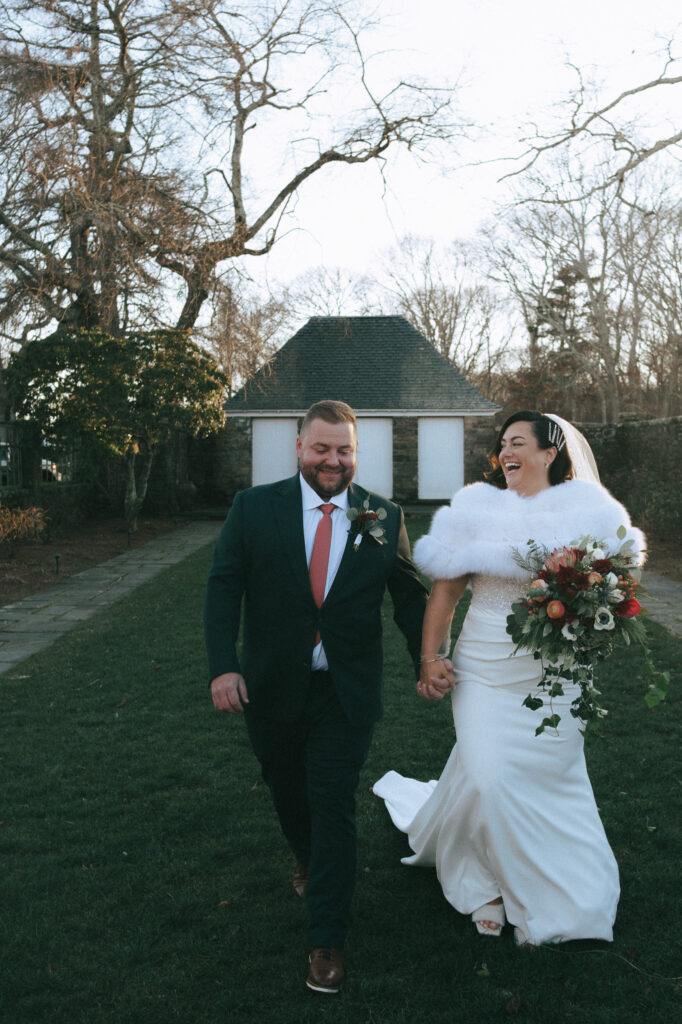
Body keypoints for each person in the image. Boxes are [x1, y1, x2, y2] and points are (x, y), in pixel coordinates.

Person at [373, 411, 646, 947]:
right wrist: (432, 659)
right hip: (484, 670)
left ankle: (564, 894)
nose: (506, 453)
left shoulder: (592, 511)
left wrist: (584, 615)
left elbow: (613, 593)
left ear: (551, 453)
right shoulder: (475, 509)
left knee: (550, 781)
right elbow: (446, 596)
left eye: (519, 442)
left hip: (557, 678)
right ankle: (481, 883)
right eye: (502, 445)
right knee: (489, 779)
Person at [204, 400, 427, 992]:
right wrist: (224, 667)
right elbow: (224, 588)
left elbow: (409, 599)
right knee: (287, 788)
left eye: (345, 449)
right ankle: (303, 854)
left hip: (345, 692)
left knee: (332, 801)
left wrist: (427, 660)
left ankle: (325, 940)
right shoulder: (254, 508)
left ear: (357, 452)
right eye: (323, 448)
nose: (334, 460)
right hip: (272, 686)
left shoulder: (381, 514)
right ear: (300, 447)